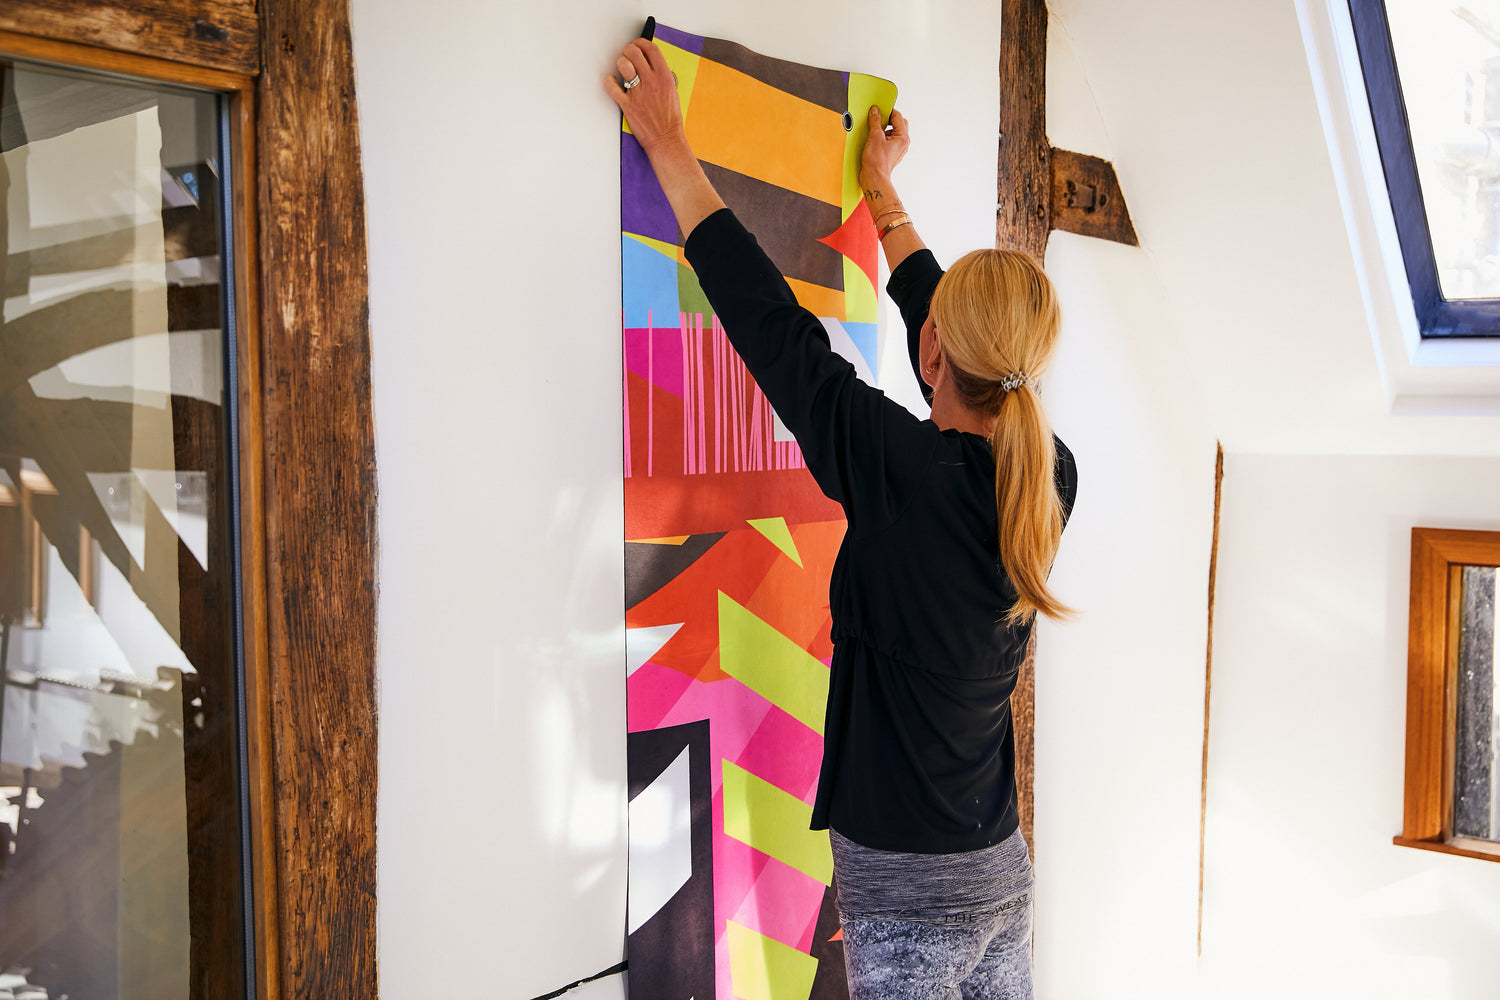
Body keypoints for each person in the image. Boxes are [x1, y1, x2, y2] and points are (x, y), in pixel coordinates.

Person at [606, 37, 1078, 1000]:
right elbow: (942, 335)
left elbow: (774, 330)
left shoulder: (900, 467)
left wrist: (667, 144)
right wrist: (882, 197)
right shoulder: (1050, 473)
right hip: (999, 871)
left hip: (909, 899)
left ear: (934, 350)